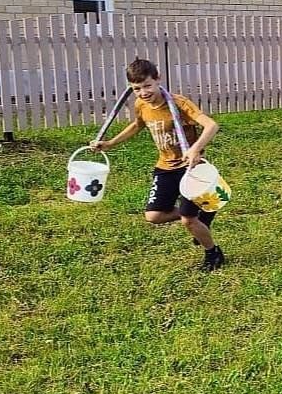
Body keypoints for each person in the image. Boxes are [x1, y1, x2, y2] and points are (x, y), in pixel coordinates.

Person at [90, 57, 226, 271]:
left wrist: (195, 148)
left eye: (147, 86)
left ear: (158, 80)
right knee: (153, 216)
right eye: (137, 88)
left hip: (189, 168)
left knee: (188, 221)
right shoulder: (141, 104)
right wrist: (110, 143)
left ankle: (213, 253)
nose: (143, 92)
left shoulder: (179, 104)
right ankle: (202, 210)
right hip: (165, 166)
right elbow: (137, 125)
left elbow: (211, 125)